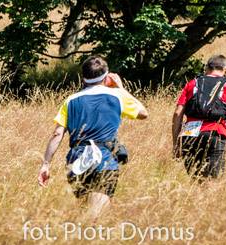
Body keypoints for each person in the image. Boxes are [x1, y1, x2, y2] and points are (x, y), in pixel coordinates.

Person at [38, 56, 148, 217]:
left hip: (76, 158)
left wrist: (46, 164)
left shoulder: (70, 101)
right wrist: (121, 87)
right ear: (107, 77)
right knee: (96, 218)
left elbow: (57, 134)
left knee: (84, 211)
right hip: (103, 156)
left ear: (83, 77)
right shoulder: (117, 95)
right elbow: (143, 113)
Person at [172, 54, 226, 180]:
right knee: (213, 182)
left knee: (196, 181)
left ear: (207, 68)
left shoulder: (192, 84)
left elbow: (177, 114)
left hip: (189, 134)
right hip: (214, 134)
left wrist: (176, 144)